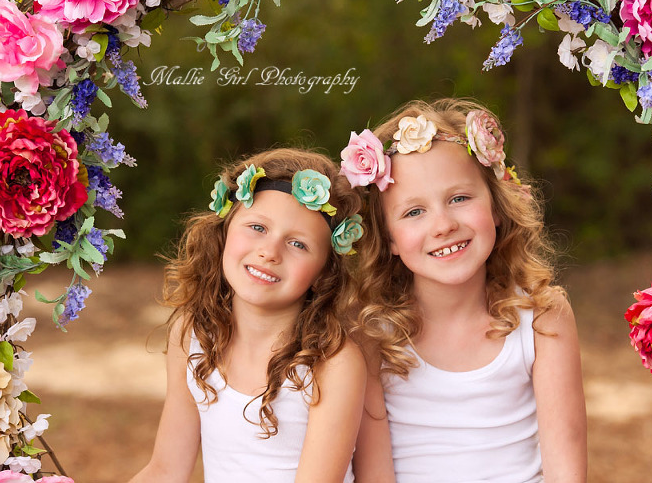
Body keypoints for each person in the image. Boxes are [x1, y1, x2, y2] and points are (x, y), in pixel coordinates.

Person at [341, 99, 588, 483]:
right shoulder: (372, 331)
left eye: (459, 198)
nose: (442, 226)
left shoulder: (541, 316)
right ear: (388, 237)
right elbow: (374, 471)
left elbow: (566, 470)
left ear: (497, 207)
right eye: (413, 212)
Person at [130, 148, 367, 483]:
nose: (269, 252)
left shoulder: (332, 363)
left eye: (298, 244)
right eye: (257, 227)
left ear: (324, 271)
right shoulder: (195, 332)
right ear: (224, 231)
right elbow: (166, 469)